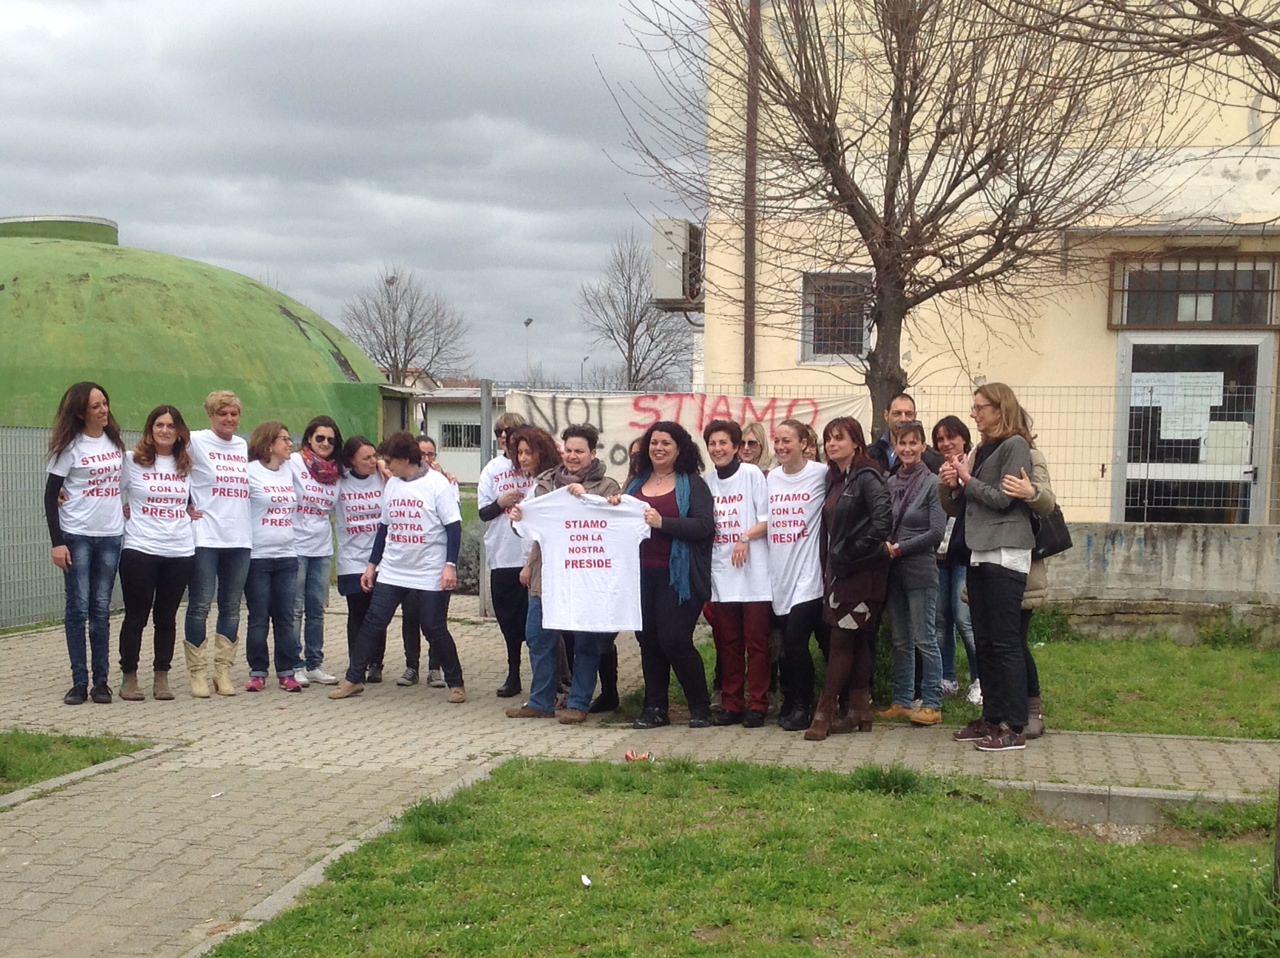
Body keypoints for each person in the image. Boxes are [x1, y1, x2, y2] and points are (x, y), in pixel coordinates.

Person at [330, 431, 466, 702]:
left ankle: (456, 682)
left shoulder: (438, 485)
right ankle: (353, 678)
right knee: (373, 622)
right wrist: (372, 565)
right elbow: (384, 528)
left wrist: (449, 565)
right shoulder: (392, 485)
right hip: (393, 569)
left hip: (429, 569)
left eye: (390, 460)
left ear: (406, 459)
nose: (386, 466)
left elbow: (454, 527)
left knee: (433, 626)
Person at [941, 383, 1035, 752]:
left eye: (981, 407)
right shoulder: (982, 449)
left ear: (1000, 409)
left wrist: (967, 480)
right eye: (974, 407)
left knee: (1005, 642)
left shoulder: (1016, 446)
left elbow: (1001, 499)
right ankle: (991, 719)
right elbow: (961, 504)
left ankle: (1014, 725)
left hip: (1006, 552)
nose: (975, 414)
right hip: (979, 551)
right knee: (985, 643)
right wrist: (952, 484)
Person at [508, 424, 623, 723]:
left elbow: (614, 526)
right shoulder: (545, 482)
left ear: (593, 453)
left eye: (579, 451)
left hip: (587, 579)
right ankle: (541, 701)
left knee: (586, 642)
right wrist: (520, 519)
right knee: (538, 637)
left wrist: (589, 499)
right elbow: (532, 528)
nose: (573, 456)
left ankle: (579, 703)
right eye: (569, 450)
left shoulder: (608, 487)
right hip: (546, 576)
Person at [804, 417, 891, 740]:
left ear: (856, 442)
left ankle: (824, 711)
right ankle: (859, 710)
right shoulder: (836, 479)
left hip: (863, 574)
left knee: (841, 640)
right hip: (840, 573)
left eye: (839, 438)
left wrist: (851, 552)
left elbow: (883, 522)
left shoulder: (868, 476)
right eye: (828, 439)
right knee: (855, 640)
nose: (831, 444)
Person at [628, 421, 716, 729]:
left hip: (680, 578)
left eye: (666, 443)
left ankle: (700, 707)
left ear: (679, 449)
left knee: (674, 639)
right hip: (640, 575)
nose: (658, 448)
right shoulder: (636, 484)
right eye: (654, 442)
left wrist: (662, 522)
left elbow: (705, 527)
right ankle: (655, 708)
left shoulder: (692, 484)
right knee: (648, 640)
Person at [45, 382, 126, 705]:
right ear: (81, 412)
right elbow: (52, 495)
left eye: (105, 403)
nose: (103, 410)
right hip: (76, 535)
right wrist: (57, 543)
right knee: (78, 608)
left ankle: (101, 682)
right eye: (95, 406)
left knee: (101, 609)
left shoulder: (114, 443)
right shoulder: (70, 447)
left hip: (110, 536)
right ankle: (79, 681)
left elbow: (124, 483)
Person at [116, 405, 196, 702]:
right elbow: (107, 490)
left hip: (179, 550)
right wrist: (64, 494)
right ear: (150, 429)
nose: (164, 430)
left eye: (171, 426)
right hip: (140, 548)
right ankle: (129, 676)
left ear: (179, 433)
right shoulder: (132, 462)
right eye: (159, 425)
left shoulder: (186, 465)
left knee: (167, 617)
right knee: (136, 616)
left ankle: (161, 676)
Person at [702, 419, 771, 727]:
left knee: (756, 643)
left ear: (735, 447)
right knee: (727, 642)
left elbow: (768, 520)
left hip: (753, 573)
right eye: (712, 444)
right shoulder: (706, 482)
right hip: (722, 573)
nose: (718, 449)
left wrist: (744, 538)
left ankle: (758, 703)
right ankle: (732, 703)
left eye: (723, 443)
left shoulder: (752, 474)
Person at [877, 421, 946, 726]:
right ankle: (902, 700)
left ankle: (932, 703)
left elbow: (936, 532)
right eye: (901, 443)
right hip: (893, 571)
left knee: (924, 638)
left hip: (919, 571)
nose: (907, 449)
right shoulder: (890, 482)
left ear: (922, 447)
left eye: (913, 443)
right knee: (900, 639)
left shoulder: (934, 483)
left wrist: (901, 547)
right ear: (895, 447)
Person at [185, 390, 252, 698]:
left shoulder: (242, 445)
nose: (229, 419)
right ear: (211, 416)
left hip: (239, 537)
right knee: (199, 605)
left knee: (231, 607)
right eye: (222, 413)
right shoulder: (196, 441)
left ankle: (222, 671)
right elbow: (170, 467)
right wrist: (184, 503)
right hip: (206, 536)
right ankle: (197, 673)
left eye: (234, 414)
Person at [502, 426, 568, 718]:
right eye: (520, 452)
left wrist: (530, 564)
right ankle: (549, 693)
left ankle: (549, 696)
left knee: (539, 633)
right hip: (539, 564)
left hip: (552, 567)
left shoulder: (550, 483)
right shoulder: (534, 483)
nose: (524, 457)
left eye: (530, 452)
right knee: (543, 635)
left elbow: (547, 530)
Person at [767, 418, 828, 731]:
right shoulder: (771, 478)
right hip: (779, 574)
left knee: (796, 642)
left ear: (804, 444)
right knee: (783, 647)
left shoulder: (820, 474)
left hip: (809, 576)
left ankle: (805, 705)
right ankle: (790, 701)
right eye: (777, 441)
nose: (780, 446)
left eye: (787, 440)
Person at [1000, 417, 1055, 740]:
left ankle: (1032, 709)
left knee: (1016, 642)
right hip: (992, 563)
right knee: (997, 644)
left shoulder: (1033, 458)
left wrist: (1029, 490)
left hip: (1024, 567)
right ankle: (1004, 709)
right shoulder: (987, 455)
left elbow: (1047, 502)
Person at [243, 422, 305, 692]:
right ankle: (258, 671)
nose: (290, 444)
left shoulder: (290, 469)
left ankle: (287, 671)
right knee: (258, 616)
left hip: (287, 555)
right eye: (284, 440)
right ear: (269, 445)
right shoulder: (250, 472)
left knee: (285, 617)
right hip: (258, 556)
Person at [476, 412, 533, 698]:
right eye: (499, 433)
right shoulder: (492, 469)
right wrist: (501, 502)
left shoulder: (534, 464)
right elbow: (483, 512)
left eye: (508, 432)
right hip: (502, 555)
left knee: (534, 621)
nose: (503, 437)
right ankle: (513, 672)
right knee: (508, 620)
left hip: (531, 557)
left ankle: (547, 676)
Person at [286, 416, 343, 686]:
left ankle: (314, 663)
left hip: (321, 548)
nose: (325, 443)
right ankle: (293, 664)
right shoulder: (295, 462)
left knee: (316, 608)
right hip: (296, 545)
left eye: (331, 440)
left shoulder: (337, 472)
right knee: (295, 608)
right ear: (309, 438)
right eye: (320, 438)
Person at [401, 434, 455, 688]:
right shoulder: (402, 482)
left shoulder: (444, 483)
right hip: (410, 564)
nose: (426, 459)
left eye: (431, 454)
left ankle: (436, 667)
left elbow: (453, 524)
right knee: (410, 615)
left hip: (435, 563)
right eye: (421, 454)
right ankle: (411, 666)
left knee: (435, 620)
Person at [932, 416, 979, 704]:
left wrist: (959, 481)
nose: (946, 444)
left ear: (964, 438)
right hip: (939, 555)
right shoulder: (939, 469)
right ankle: (947, 678)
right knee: (941, 618)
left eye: (951, 437)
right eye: (940, 439)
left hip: (965, 553)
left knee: (964, 618)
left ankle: (980, 678)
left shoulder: (975, 463)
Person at [334, 436, 385, 682]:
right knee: (357, 612)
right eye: (366, 458)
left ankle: (376, 662)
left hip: (379, 558)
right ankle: (357, 663)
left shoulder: (382, 477)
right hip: (352, 559)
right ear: (351, 460)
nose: (372, 461)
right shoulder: (339, 481)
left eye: (374, 456)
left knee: (377, 613)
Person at [868, 392, 944, 475]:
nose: (903, 419)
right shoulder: (869, 455)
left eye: (908, 414)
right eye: (897, 414)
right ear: (886, 415)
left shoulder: (933, 460)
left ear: (915, 416)